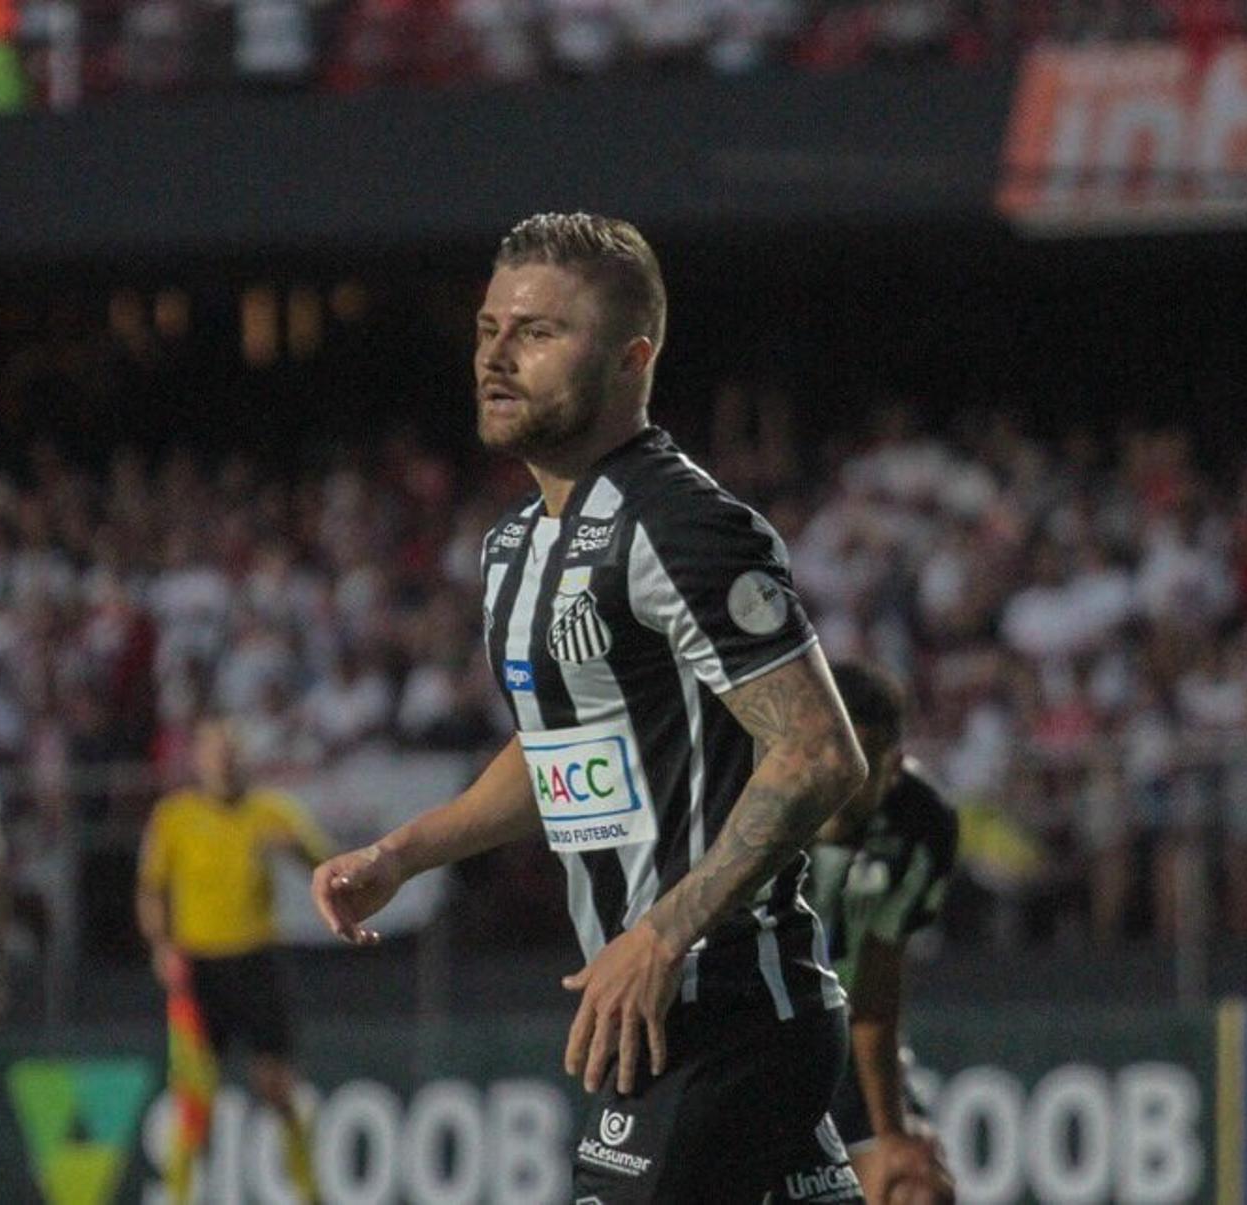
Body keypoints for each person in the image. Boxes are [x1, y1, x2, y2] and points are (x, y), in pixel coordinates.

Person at [312, 212, 870, 1203]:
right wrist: (403, 852)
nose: (498, 355)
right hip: (665, 1018)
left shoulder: (683, 527)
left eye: (537, 332)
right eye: (489, 328)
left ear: (630, 358)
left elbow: (819, 753)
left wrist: (660, 933)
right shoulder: (513, 545)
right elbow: (560, 751)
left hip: (726, 1009)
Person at [137, 712, 332, 1204]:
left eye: (230, 751)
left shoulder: (270, 811)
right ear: (198, 759)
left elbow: (327, 863)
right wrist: (161, 947)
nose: (223, 761)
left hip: (255, 960)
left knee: (277, 1088)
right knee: (194, 1099)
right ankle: (181, 1197)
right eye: (213, 751)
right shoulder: (174, 816)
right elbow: (151, 891)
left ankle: (310, 1192)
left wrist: (297, 851)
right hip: (197, 968)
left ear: (243, 758)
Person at [804, 662, 957, 1205]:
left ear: (893, 766)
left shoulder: (921, 820)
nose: (844, 773)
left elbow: (876, 980)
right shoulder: (753, 800)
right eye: (833, 752)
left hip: (834, 1037)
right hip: (735, 1039)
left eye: (863, 760)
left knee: (916, 1185)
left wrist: (892, 1134)